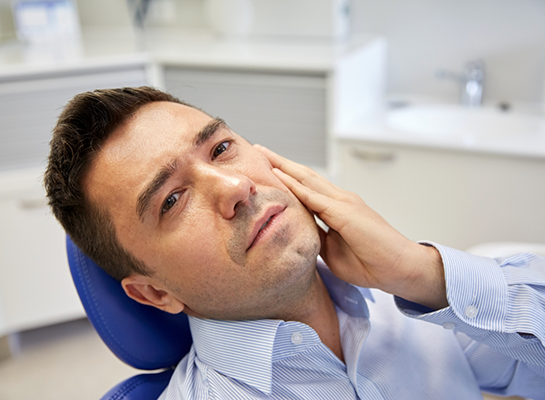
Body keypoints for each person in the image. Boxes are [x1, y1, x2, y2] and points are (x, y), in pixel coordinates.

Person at [45, 87, 545, 400]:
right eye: (172, 201)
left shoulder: (416, 304)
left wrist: (421, 273)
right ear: (155, 294)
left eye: (221, 149)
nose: (236, 187)